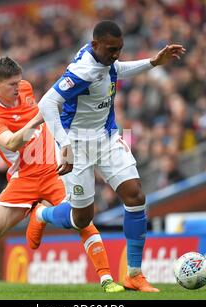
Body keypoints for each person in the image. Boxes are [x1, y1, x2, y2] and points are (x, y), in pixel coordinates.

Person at [0, 56, 123, 294]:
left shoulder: (24, 88)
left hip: (52, 169)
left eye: (19, 82)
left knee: (83, 220)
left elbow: (28, 107)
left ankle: (106, 279)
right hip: (23, 177)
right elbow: (12, 143)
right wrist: (37, 119)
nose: (19, 87)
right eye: (12, 84)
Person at [28, 20, 186, 292]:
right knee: (81, 219)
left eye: (120, 49)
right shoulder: (82, 71)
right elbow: (47, 103)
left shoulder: (103, 59)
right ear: (95, 45)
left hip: (108, 136)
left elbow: (116, 69)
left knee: (135, 195)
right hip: (76, 144)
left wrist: (153, 62)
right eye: (112, 49)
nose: (116, 54)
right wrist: (64, 144)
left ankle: (134, 274)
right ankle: (42, 214)